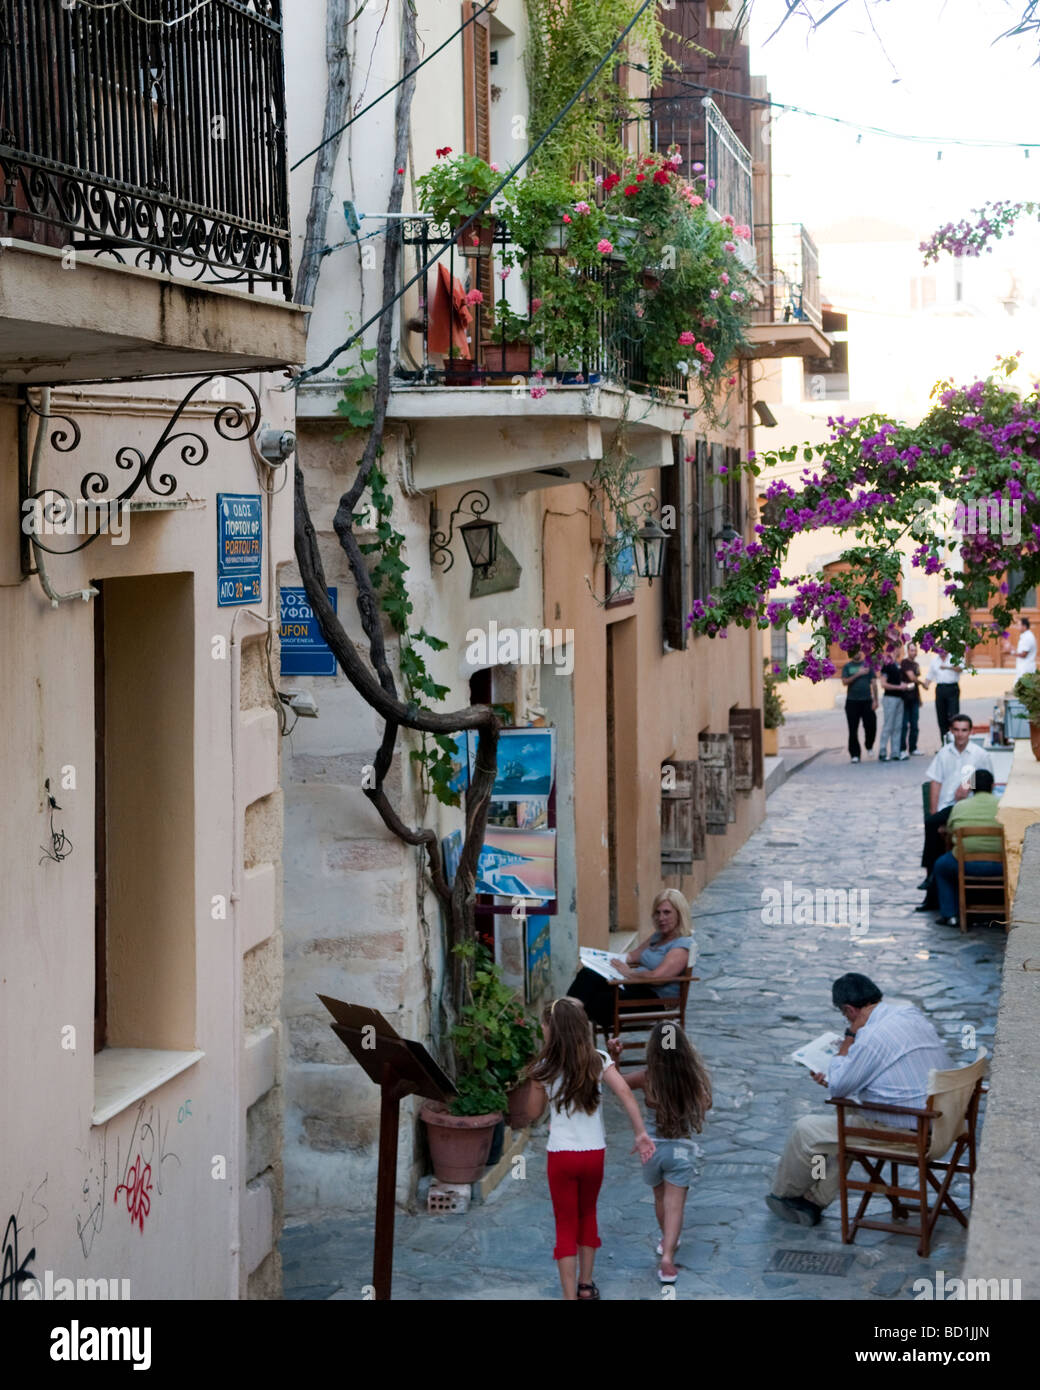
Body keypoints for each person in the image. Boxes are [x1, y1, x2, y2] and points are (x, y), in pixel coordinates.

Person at [766, 973, 952, 1226]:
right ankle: (815, 1200)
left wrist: (847, 1043)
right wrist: (837, 1076)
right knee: (849, 1127)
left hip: (912, 1133)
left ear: (850, 1010)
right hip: (945, 1123)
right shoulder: (909, 1013)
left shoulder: (871, 1038)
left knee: (807, 1130)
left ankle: (785, 1196)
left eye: (845, 1016)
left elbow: (840, 1088)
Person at [525, 997, 655, 1299]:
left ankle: (569, 1295)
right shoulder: (598, 1059)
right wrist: (640, 1133)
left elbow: (532, 1114)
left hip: (561, 1155)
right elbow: (624, 1092)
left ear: (551, 1030)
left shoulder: (543, 1067)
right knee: (588, 1214)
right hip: (594, 1154)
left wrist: (534, 1084)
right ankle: (586, 1285)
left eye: (544, 1025)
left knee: (565, 1222)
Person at [608, 1022, 712, 1283]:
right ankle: (668, 1255)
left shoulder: (646, 1077)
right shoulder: (691, 1078)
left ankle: (666, 1238)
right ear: (683, 1050)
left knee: (659, 1199)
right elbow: (706, 1103)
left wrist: (615, 1057)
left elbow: (617, 1085)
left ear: (653, 1049)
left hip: (651, 1149)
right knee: (674, 1205)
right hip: (681, 1150)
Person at [567, 889, 695, 1031]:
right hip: (635, 985)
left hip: (656, 998)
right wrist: (600, 960)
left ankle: (569, 1026)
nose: (661, 918)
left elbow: (658, 977)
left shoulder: (682, 945)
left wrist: (630, 974)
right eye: (657, 913)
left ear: (680, 914)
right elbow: (630, 957)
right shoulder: (658, 937)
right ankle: (565, 1015)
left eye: (667, 912)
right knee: (588, 974)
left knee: (598, 999)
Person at [917, 714, 994, 912]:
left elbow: (987, 780)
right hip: (947, 806)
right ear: (951, 731)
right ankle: (930, 883)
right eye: (956, 730)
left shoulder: (980, 754)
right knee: (932, 824)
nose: (960, 735)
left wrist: (969, 784)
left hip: (967, 806)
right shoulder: (944, 753)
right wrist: (934, 812)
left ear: (971, 732)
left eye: (964, 730)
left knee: (938, 829)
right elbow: (936, 782)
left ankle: (933, 880)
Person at [933, 768, 1004, 927]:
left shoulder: (960, 807)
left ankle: (950, 914)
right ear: (992, 786)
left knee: (940, 866)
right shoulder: (1003, 805)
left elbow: (950, 830)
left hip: (964, 865)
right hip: (1000, 865)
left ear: (971, 787)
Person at [841, 648, 878, 763]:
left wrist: (875, 700)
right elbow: (844, 681)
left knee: (871, 725)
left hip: (867, 700)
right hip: (852, 702)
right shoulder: (847, 667)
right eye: (854, 651)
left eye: (858, 650)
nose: (856, 653)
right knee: (853, 729)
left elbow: (874, 683)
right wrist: (859, 673)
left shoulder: (868, 665)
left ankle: (869, 745)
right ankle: (855, 754)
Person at [923, 652, 964, 742]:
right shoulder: (934, 660)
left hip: (952, 687)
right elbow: (930, 674)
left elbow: (961, 668)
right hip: (940, 689)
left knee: (954, 716)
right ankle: (944, 743)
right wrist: (926, 684)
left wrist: (947, 667)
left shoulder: (954, 657)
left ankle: (954, 742)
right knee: (941, 717)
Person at [877, 645, 909, 761]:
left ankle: (895, 752)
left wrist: (903, 686)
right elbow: (883, 684)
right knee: (888, 725)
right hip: (890, 698)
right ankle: (882, 751)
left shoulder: (897, 664)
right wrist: (899, 687)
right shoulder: (887, 664)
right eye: (898, 647)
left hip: (900, 698)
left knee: (897, 726)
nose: (900, 649)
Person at [900, 641, 925, 756]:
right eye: (911, 650)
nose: (913, 652)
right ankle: (902, 748)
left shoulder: (916, 664)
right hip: (905, 699)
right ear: (907, 651)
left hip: (914, 698)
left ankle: (913, 748)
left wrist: (919, 698)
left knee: (915, 724)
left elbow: (915, 684)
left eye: (915, 650)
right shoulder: (905, 662)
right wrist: (923, 683)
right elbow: (912, 677)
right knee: (904, 725)